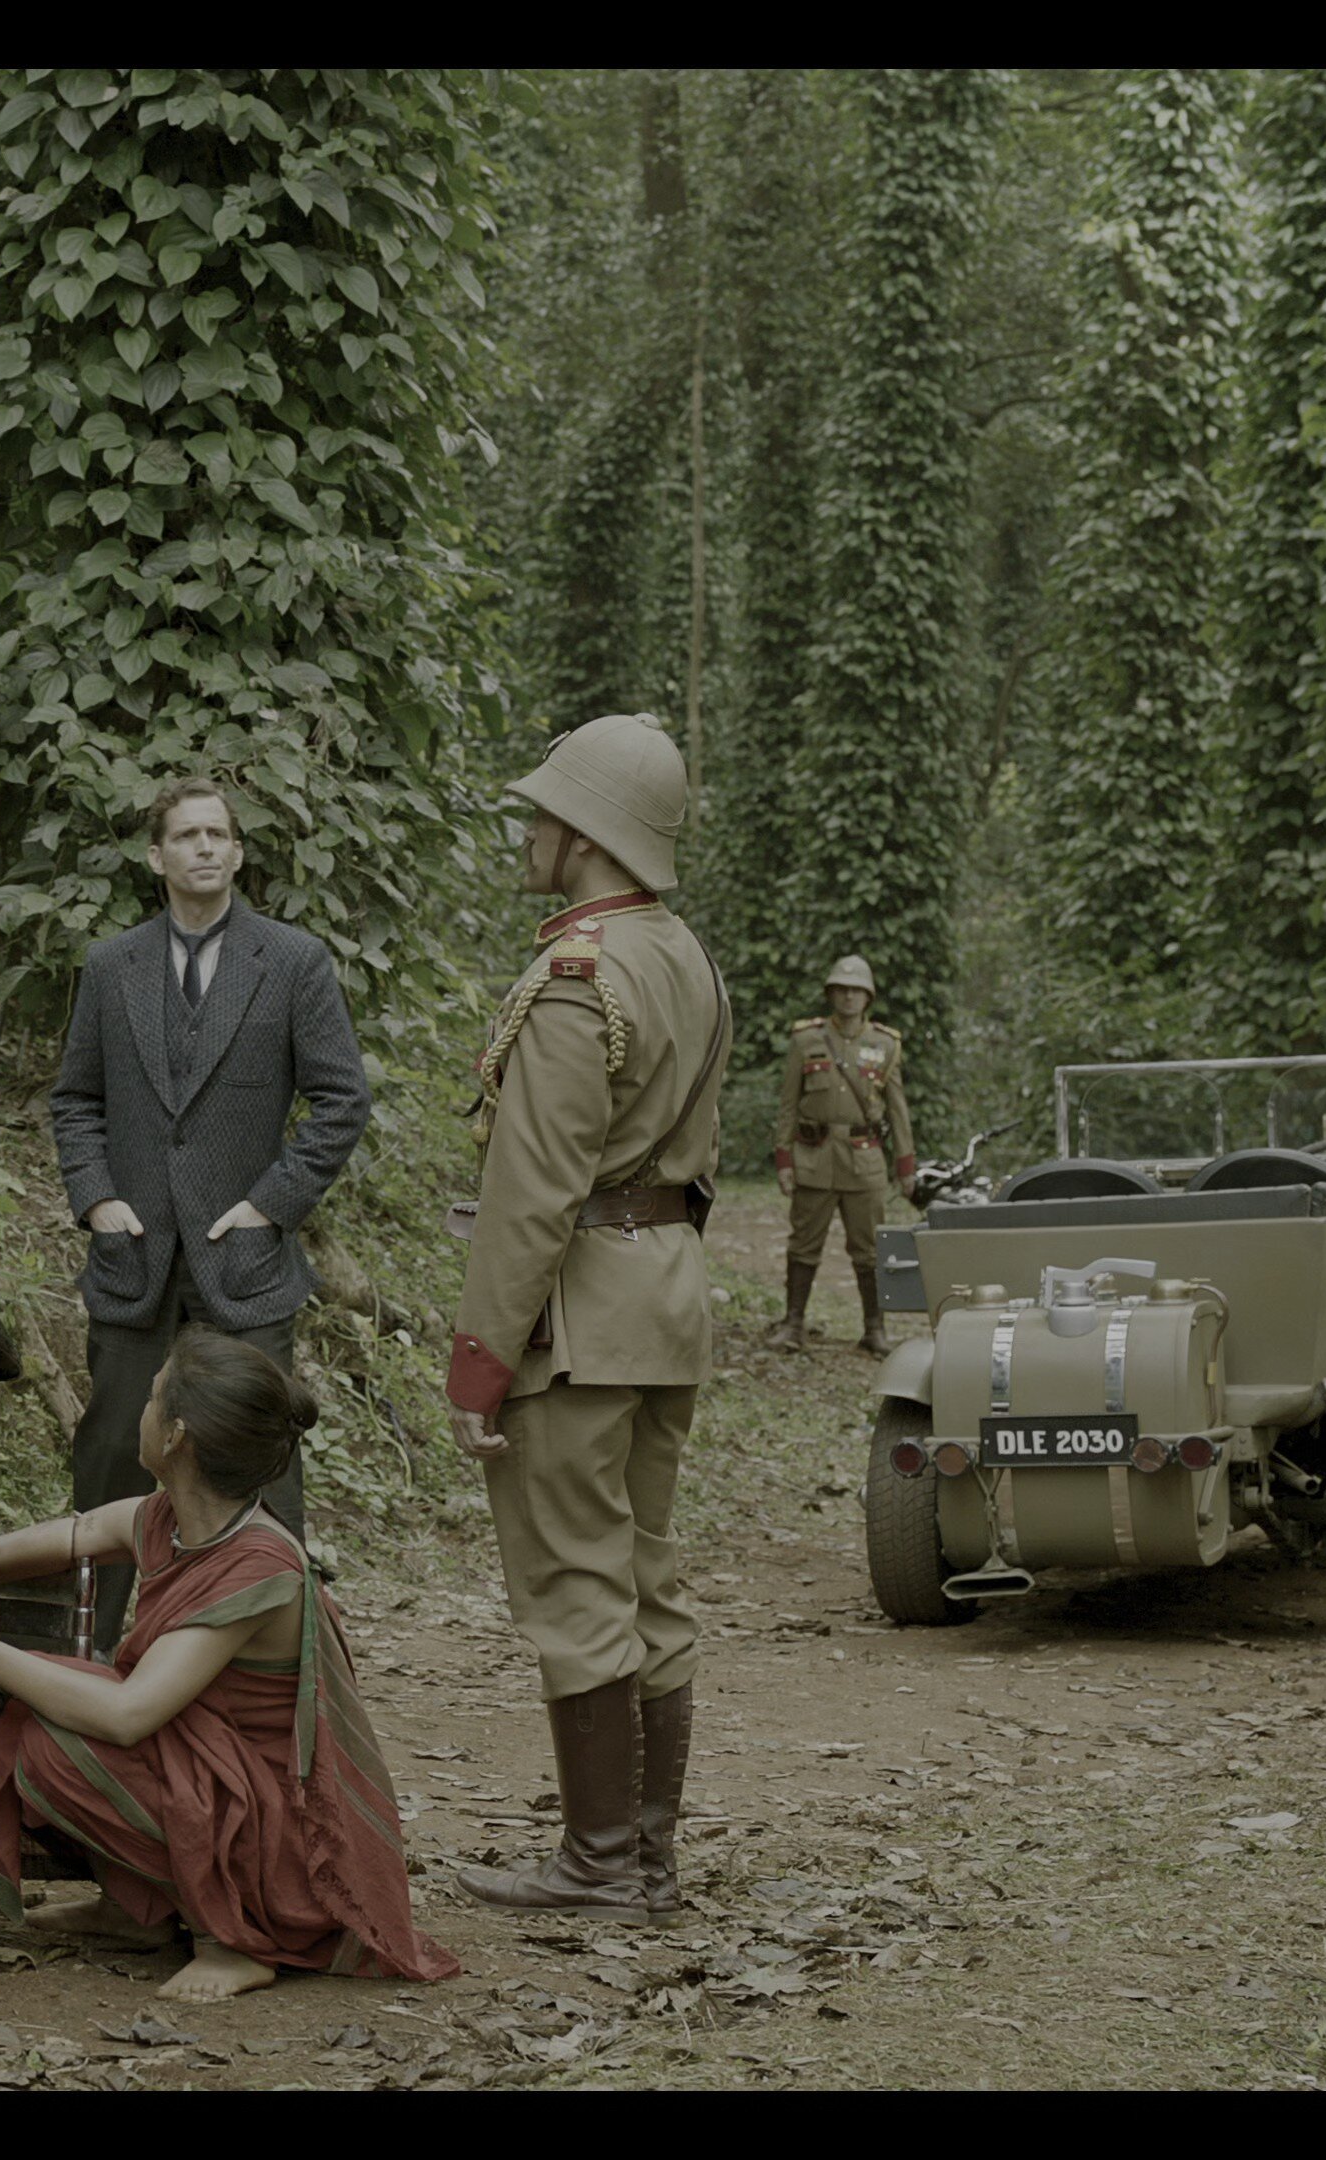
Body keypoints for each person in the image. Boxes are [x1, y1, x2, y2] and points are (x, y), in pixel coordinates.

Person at [0, 1329, 457, 2002]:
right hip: (212, 1776)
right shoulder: (173, 1519)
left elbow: (129, 1715)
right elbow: (76, 1536)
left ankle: (233, 1939)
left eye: (152, 1399)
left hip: (273, 1835)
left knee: (55, 1738)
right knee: (41, 1712)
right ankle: (133, 1914)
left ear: (177, 1436)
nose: (140, 1412)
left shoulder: (259, 1565)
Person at [443, 713, 726, 1916]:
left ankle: (602, 1862)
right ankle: (645, 1859)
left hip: (582, 1321)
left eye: (546, 813)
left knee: (576, 1586)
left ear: (589, 832)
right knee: (646, 1577)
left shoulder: (578, 976)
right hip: (664, 1300)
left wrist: (478, 1364)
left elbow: (531, 1197)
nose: (530, 830)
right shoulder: (684, 956)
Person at [50, 777, 370, 1645]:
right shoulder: (112, 966)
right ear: (156, 856)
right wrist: (97, 1198)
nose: (204, 847)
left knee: (261, 1462)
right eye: (186, 835)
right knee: (111, 1459)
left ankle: (278, 1661)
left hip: (245, 1264)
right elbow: (76, 1100)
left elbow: (343, 1100)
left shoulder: (293, 962)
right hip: (135, 1258)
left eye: (217, 835)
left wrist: (272, 1204)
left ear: (237, 852)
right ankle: (83, 1657)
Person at [771, 954, 916, 1354]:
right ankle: (793, 1323)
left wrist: (906, 1166)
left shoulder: (885, 1045)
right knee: (803, 1244)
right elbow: (788, 1105)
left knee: (870, 1249)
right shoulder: (806, 1040)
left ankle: (874, 1329)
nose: (849, 997)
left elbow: (898, 1111)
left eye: (857, 990)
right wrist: (784, 1159)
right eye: (841, 989)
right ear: (830, 994)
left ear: (868, 997)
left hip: (863, 1161)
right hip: (813, 1158)